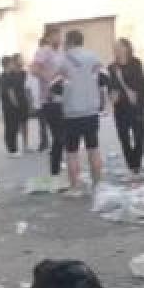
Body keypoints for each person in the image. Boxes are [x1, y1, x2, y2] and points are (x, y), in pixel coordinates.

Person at [58, 29, 106, 194]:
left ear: (69, 41)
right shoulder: (93, 57)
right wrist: (101, 101)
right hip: (91, 110)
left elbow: (54, 85)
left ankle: (75, 187)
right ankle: (97, 184)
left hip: (71, 112)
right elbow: (104, 80)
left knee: (72, 152)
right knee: (93, 148)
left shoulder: (63, 59)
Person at [31, 28, 68, 181]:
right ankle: (55, 171)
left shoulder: (60, 53)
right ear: (49, 37)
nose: (60, 38)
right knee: (59, 137)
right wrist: (48, 79)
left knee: (62, 136)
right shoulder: (44, 51)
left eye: (60, 36)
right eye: (57, 35)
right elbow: (33, 69)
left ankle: (57, 167)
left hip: (63, 99)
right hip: (50, 100)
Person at [107, 38, 144, 177]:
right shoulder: (112, 67)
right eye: (114, 48)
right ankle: (131, 165)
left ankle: (137, 164)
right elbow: (111, 86)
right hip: (120, 108)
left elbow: (140, 85)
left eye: (118, 47)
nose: (116, 50)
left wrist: (139, 103)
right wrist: (112, 95)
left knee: (139, 137)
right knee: (123, 137)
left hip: (135, 107)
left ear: (126, 48)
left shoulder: (136, 63)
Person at [0, 55, 24, 158]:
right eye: (12, 63)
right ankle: (12, 150)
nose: (14, 64)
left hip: (14, 106)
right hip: (9, 107)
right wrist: (16, 104)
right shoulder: (4, 77)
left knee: (14, 127)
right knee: (10, 127)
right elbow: (10, 92)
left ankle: (14, 148)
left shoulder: (12, 74)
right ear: (7, 64)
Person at [10, 54, 35, 153]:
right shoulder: (10, 74)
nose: (22, 61)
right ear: (16, 61)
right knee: (15, 125)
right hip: (14, 102)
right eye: (20, 60)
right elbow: (10, 89)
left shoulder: (24, 73)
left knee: (25, 124)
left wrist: (30, 101)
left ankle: (26, 145)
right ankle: (14, 147)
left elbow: (27, 88)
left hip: (23, 101)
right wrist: (14, 102)